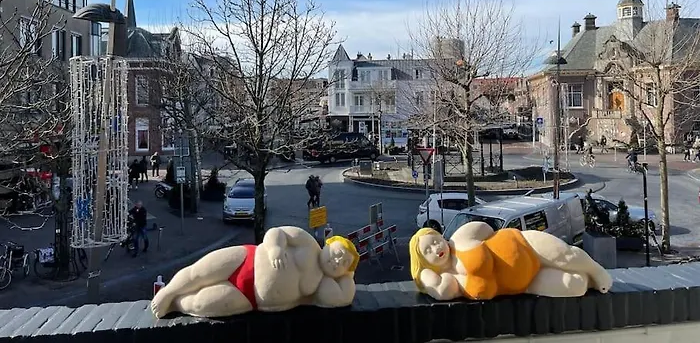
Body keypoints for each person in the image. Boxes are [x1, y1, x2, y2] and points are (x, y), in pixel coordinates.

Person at [150, 226, 359, 318]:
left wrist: (348, 275)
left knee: (199, 304)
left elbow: (344, 298)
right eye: (338, 253)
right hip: (245, 258)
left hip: (249, 298)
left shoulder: (323, 285)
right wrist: (275, 248)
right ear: (329, 243)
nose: (337, 261)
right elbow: (276, 232)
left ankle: (177, 303)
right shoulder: (307, 242)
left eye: (345, 263)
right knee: (198, 272)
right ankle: (169, 292)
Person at [409, 224, 612, 302]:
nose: (436, 248)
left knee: (566, 256)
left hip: (525, 244)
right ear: (424, 262)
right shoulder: (451, 280)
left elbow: (486, 229)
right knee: (575, 286)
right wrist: (425, 275)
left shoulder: (459, 238)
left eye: (435, 241)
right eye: (427, 251)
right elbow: (443, 291)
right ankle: (587, 278)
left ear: (441, 236)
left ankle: (596, 270)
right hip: (527, 282)